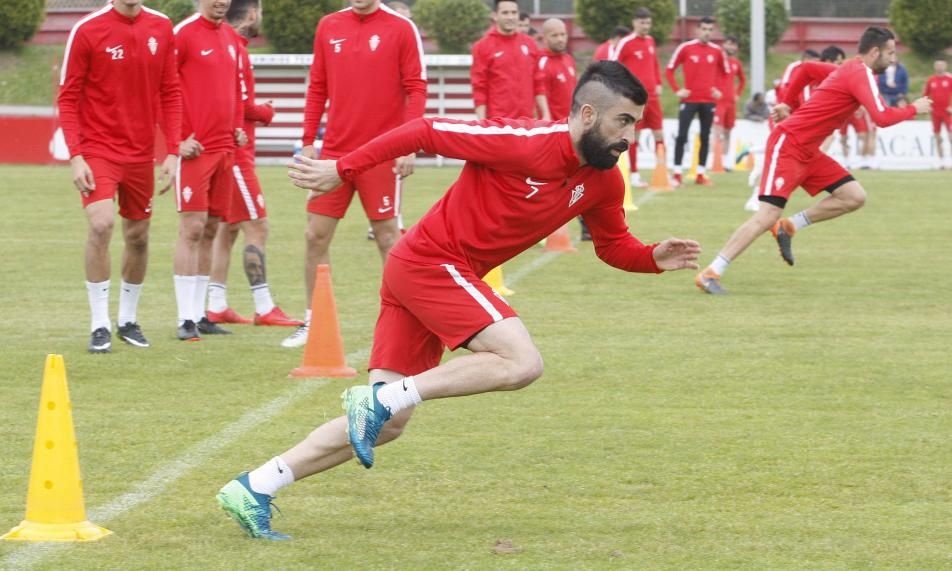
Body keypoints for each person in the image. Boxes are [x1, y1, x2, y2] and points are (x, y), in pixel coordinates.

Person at [216, 61, 702, 540]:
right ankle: (380, 400)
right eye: (624, 122)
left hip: (429, 274)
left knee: (387, 426)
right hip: (430, 263)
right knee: (521, 361)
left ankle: (255, 486)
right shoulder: (524, 142)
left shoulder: (604, 179)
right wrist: (342, 169)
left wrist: (651, 258)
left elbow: (613, 246)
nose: (630, 137)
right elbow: (426, 130)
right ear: (589, 115)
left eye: (635, 124)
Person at [694, 27, 931, 295]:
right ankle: (711, 272)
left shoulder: (850, 70)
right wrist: (914, 108)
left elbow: (806, 69)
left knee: (853, 196)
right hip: (789, 146)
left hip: (808, 151)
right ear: (875, 51)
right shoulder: (859, 72)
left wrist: (787, 102)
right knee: (767, 215)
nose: (893, 59)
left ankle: (790, 225)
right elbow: (882, 118)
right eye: (890, 53)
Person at [282, 0, 427, 349]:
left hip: (382, 153)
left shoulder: (400, 29)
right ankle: (313, 321)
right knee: (315, 235)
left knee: (387, 237)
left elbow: (416, 87)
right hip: (334, 157)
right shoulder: (329, 26)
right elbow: (317, 87)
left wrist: (410, 144)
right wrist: (309, 143)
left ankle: (405, 321)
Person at [59, 0, 182, 353]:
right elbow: (68, 97)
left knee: (140, 236)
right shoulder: (88, 30)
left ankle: (127, 319)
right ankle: (98, 323)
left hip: (140, 153)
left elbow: (170, 91)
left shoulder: (162, 27)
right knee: (100, 225)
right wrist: (76, 155)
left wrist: (173, 150)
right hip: (98, 150)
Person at [204, 0, 301, 328]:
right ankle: (263, 306)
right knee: (257, 226)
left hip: (226, 150)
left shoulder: (225, 43)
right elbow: (244, 106)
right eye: (259, 10)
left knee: (227, 229)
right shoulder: (236, 49)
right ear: (251, 14)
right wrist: (267, 111)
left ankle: (215, 303)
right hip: (236, 154)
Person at [171, 0, 246, 341]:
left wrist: (236, 128)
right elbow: (160, 90)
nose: (222, 0)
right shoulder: (182, 35)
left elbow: (231, 89)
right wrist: (175, 141)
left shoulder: (231, 39)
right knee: (192, 228)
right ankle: (184, 317)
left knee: (213, 228)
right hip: (193, 152)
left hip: (223, 151)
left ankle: (199, 314)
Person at [664, 16, 729, 186]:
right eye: (704, 29)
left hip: (708, 101)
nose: (707, 33)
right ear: (697, 30)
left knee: (705, 136)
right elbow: (669, 70)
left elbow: (726, 73)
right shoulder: (685, 48)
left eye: (710, 30)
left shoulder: (717, 51)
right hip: (689, 100)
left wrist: (719, 89)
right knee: (682, 135)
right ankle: (677, 173)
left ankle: (701, 174)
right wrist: (678, 90)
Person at [470, 0, 549, 121]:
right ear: (495, 16)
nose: (510, 17)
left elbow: (538, 82)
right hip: (497, 124)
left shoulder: (530, 44)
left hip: (526, 122)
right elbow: (479, 87)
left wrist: (545, 114)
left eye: (514, 12)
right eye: (505, 13)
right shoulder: (482, 46)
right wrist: (482, 121)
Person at [610, 7, 663, 188]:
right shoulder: (626, 43)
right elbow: (614, 65)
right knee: (635, 136)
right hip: (635, 99)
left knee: (659, 134)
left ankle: (661, 173)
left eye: (648, 22)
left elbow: (654, 63)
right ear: (634, 23)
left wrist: (658, 82)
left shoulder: (650, 41)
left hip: (653, 97)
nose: (645, 26)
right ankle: (634, 174)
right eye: (642, 22)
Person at [922, 59, 952, 167]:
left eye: (941, 65)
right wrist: (928, 106)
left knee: (951, 137)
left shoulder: (951, 79)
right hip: (935, 113)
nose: (939, 67)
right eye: (937, 65)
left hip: (947, 113)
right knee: (938, 138)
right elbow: (925, 95)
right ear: (934, 67)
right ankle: (941, 162)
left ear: (945, 66)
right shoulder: (931, 80)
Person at [714, 35, 746, 169]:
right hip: (718, 102)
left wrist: (737, 94)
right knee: (717, 132)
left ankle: (726, 163)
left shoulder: (736, 63)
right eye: (729, 44)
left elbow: (743, 80)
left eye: (734, 45)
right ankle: (714, 162)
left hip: (730, 103)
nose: (731, 47)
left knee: (728, 132)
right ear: (724, 45)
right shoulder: (717, 61)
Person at [537, 18, 576, 121]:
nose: (560, 39)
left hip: (570, 124)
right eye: (554, 35)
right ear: (544, 39)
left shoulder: (569, 59)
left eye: (563, 34)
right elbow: (540, 94)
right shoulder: (541, 62)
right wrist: (546, 118)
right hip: (553, 126)